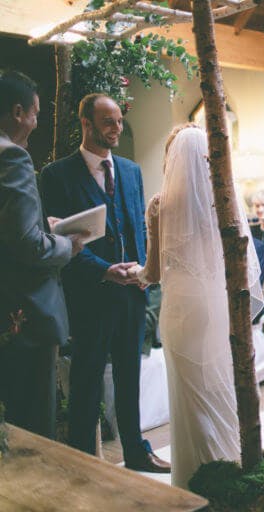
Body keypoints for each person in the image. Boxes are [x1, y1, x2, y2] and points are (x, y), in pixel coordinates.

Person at [40, 93, 169, 472]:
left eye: (119, 121)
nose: (116, 128)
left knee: (130, 377)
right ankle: (84, 463)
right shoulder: (57, 175)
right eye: (108, 121)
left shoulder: (130, 170)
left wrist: (145, 269)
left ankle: (136, 453)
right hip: (89, 295)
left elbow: (139, 227)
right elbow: (58, 239)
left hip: (132, 294)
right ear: (86, 123)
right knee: (87, 380)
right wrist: (103, 269)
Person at [131, 125, 264, 488]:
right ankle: (228, 464)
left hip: (181, 311)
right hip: (217, 306)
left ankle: (191, 479)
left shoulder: (160, 206)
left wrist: (134, 273)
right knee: (218, 387)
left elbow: (153, 273)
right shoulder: (224, 203)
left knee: (188, 398)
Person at [0, 70, 84, 439]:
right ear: (18, 112)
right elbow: (27, 244)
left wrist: (41, 225)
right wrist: (67, 245)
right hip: (24, 313)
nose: (35, 123)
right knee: (33, 427)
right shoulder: (12, 157)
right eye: (34, 114)